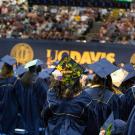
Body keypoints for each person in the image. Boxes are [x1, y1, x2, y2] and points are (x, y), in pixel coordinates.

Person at [42, 56, 98, 135]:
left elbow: (45, 117)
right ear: (77, 80)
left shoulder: (51, 94)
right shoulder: (85, 100)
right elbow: (92, 128)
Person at [85, 58, 121, 129]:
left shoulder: (84, 93)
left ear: (94, 77)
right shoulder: (113, 97)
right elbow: (116, 120)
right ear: (109, 80)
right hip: (105, 131)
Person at [0, 55, 23, 135]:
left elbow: (20, 97)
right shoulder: (15, 81)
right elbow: (20, 98)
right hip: (8, 111)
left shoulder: (15, 81)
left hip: (6, 110)